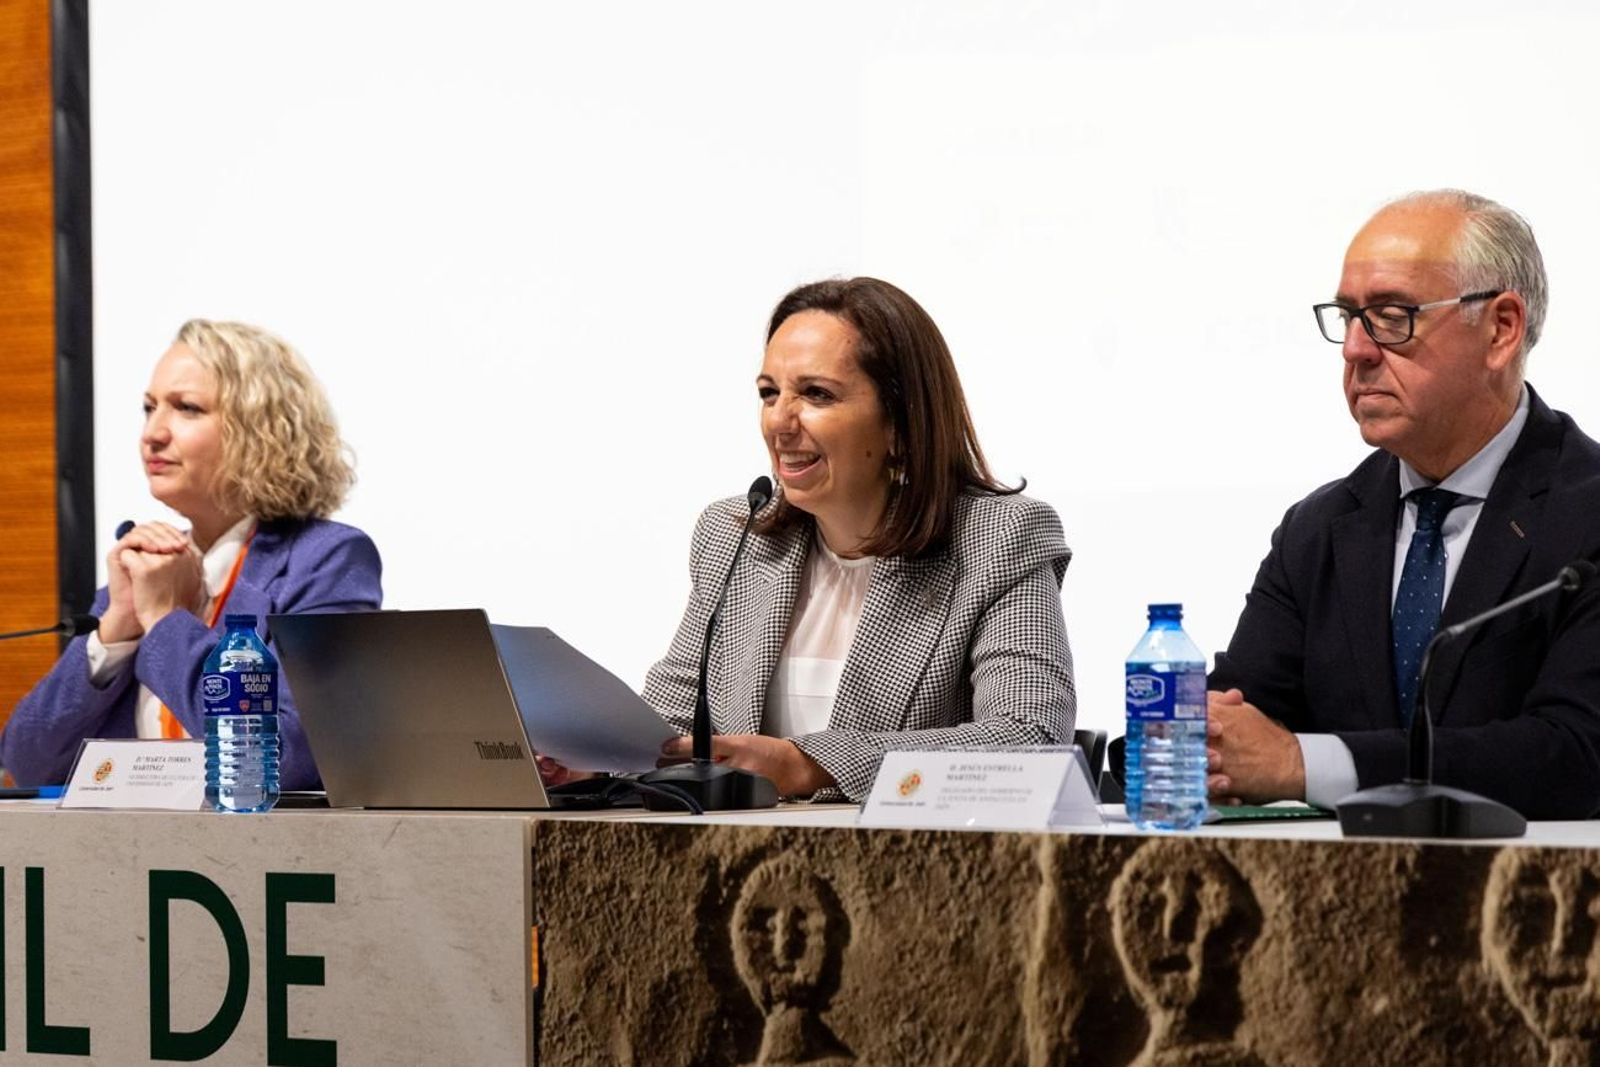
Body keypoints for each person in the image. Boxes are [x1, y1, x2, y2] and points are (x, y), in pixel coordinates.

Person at [1207, 190, 1600, 820]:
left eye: (1392, 316)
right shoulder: (1319, 529)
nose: (1355, 350)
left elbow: (1577, 754)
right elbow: (1241, 718)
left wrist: (1306, 765)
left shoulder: (1587, 515)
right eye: (1347, 317)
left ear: (1501, 329)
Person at [641, 277, 1075, 801]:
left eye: (816, 394)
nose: (779, 421)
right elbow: (668, 721)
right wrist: (595, 761)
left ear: (900, 425)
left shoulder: (997, 539)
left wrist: (810, 765)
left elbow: (1030, 739)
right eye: (769, 393)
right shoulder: (737, 535)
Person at [1, 320, 382, 788]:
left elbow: (283, 759)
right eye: (148, 408)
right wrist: (117, 628)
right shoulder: (149, 566)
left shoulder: (325, 560)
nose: (152, 434)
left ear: (261, 430)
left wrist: (163, 621)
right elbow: (28, 763)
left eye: (186, 408)